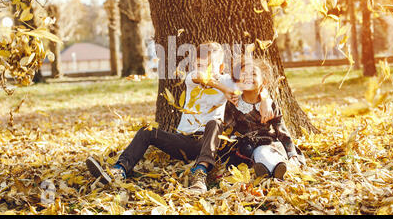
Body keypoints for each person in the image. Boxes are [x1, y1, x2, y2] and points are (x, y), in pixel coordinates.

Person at [85, 42, 275, 193]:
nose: (202, 68)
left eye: (208, 65)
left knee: (215, 123)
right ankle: (120, 169)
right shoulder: (192, 77)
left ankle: (200, 173)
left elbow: (252, 83)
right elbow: (201, 78)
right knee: (146, 132)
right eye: (199, 64)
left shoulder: (228, 79)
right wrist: (224, 90)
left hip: (208, 142)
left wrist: (265, 98)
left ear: (221, 66)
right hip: (183, 141)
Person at [217, 58, 306, 180]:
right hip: (245, 147)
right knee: (253, 153)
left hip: (268, 143)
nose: (248, 77)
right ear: (238, 82)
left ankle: (274, 169)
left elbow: (282, 131)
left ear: (263, 81)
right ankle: (268, 170)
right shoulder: (233, 104)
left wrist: (292, 154)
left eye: (253, 74)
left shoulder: (270, 105)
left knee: (264, 152)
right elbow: (227, 131)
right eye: (244, 74)